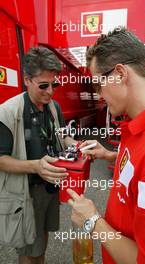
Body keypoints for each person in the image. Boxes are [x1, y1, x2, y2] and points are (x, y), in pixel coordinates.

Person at [67, 27, 145, 263]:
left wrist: (93, 220)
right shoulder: (138, 126)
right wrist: (109, 155)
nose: (99, 96)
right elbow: (141, 173)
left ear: (120, 73)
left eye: (98, 85)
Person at [0, 46, 76, 264]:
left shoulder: (54, 107)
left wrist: (78, 145)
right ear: (27, 80)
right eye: (44, 85)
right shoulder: (7, 112)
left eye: (55, 84)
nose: (51, 91)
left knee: (41, 241)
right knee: (27, 248)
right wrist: (36, 166)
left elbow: (64, 136)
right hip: (26, 193)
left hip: (50, 189)